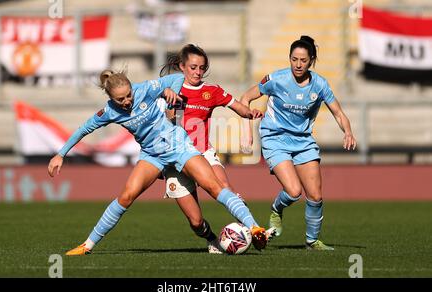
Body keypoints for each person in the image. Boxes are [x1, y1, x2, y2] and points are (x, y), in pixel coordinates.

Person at [48, 68, 271, 256]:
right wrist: (61, 154)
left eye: (128, 96)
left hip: (178, 147)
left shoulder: (144, 88)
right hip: (152, 155)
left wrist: (168, 91)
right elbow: (84, 129)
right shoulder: (109, 112)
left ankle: (254, 227)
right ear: (111, 99)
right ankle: (88, 245)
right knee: (128, 196)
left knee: (214, 187)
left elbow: (174, 80)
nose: (127, 101)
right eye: (120, 99)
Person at [240, 35, 357, 250]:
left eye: (303, 60)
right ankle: (276, 209)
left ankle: (312, 241)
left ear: (311, 60)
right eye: (294, 59)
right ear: (289, 58)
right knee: (294, 192)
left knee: (315, 195)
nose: (298, 64)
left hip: (303, 141)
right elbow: (245, 99)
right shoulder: (276, 79)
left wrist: (348, 131)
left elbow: (338, 113)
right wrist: (246, 131)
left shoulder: (320, 84)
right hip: (275, 138)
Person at [160, 44, 268, 254]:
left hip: (203, 153)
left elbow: (238, 106)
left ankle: (255, 229)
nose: (197, 72)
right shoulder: (168, 90)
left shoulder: (212, 91)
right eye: (193, 67)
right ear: (182, 66)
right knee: (195, 221)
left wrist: (250, 113)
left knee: (225, 187)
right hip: (175, 159)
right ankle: (211, 239)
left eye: (201, 68)